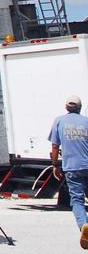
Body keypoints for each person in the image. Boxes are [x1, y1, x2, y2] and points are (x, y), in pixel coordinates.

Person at [50, 94, 88, 250]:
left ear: (66, 107)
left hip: (71, 167)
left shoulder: (59, 121)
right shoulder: (86, 121)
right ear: (80, 108)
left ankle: (84, 225)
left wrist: (54, 165)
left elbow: (54, 146)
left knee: (77, 200)